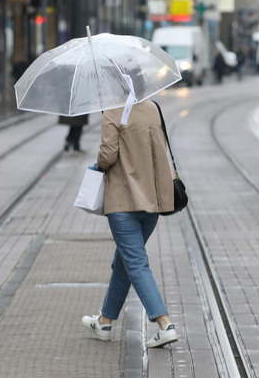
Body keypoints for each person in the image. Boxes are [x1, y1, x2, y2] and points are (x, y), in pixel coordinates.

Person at [82, 99, 178, 349]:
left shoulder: (112, 111)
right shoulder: (153, 107)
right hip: (153, 200)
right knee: (124, 261)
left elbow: (107, 156)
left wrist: (99, 163)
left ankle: (164, 323)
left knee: (135, 262)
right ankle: (104, 321)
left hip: (123, 201)